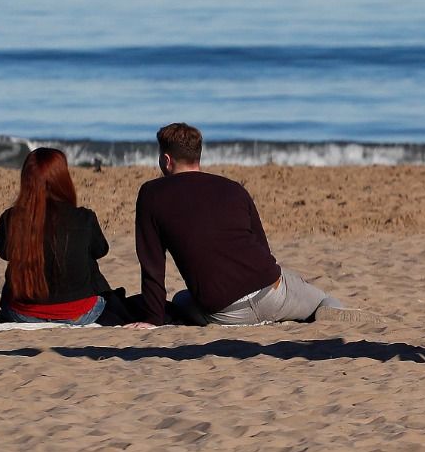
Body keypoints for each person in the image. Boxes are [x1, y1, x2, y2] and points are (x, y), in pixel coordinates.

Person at [134, 122, 351, 326]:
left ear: (166, 160)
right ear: (198, 156)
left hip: (223, 311)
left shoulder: (151, 194)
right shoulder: (232, 188)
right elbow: (262, 247)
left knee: (182, 298)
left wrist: (153, 320)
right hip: (271, 293)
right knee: (323, 299)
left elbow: (152, 265)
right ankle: (333, 318)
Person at [0, 148, 127, 325]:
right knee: (88, 260)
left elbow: (4, 253)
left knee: (18, 267)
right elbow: (101, 250)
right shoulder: (83, 217)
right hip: (81, 313)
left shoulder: (11, 218)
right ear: (62, 179)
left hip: (23, 313)